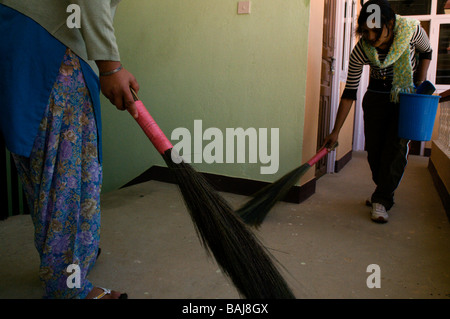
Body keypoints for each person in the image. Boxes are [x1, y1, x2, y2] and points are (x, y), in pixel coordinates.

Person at [0, 0, 139, 298]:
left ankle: (74, 257)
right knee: (69, 172)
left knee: (45, 166)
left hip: (21, 32)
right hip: (52, 44)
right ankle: (67, 286)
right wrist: (110, 65)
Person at [323, 0, 432, 223]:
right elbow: (349, 92)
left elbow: (427, 51)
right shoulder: (362, 49)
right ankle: (382, 190)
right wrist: (335, 131)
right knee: (374, 153)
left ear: (390, 23)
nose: (371, 38)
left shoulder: (411, 31)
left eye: (376, 31)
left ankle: (382, 199)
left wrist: (419, 83)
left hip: (404, 100)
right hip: (375, 99)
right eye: (365, 31)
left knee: (395, 150)